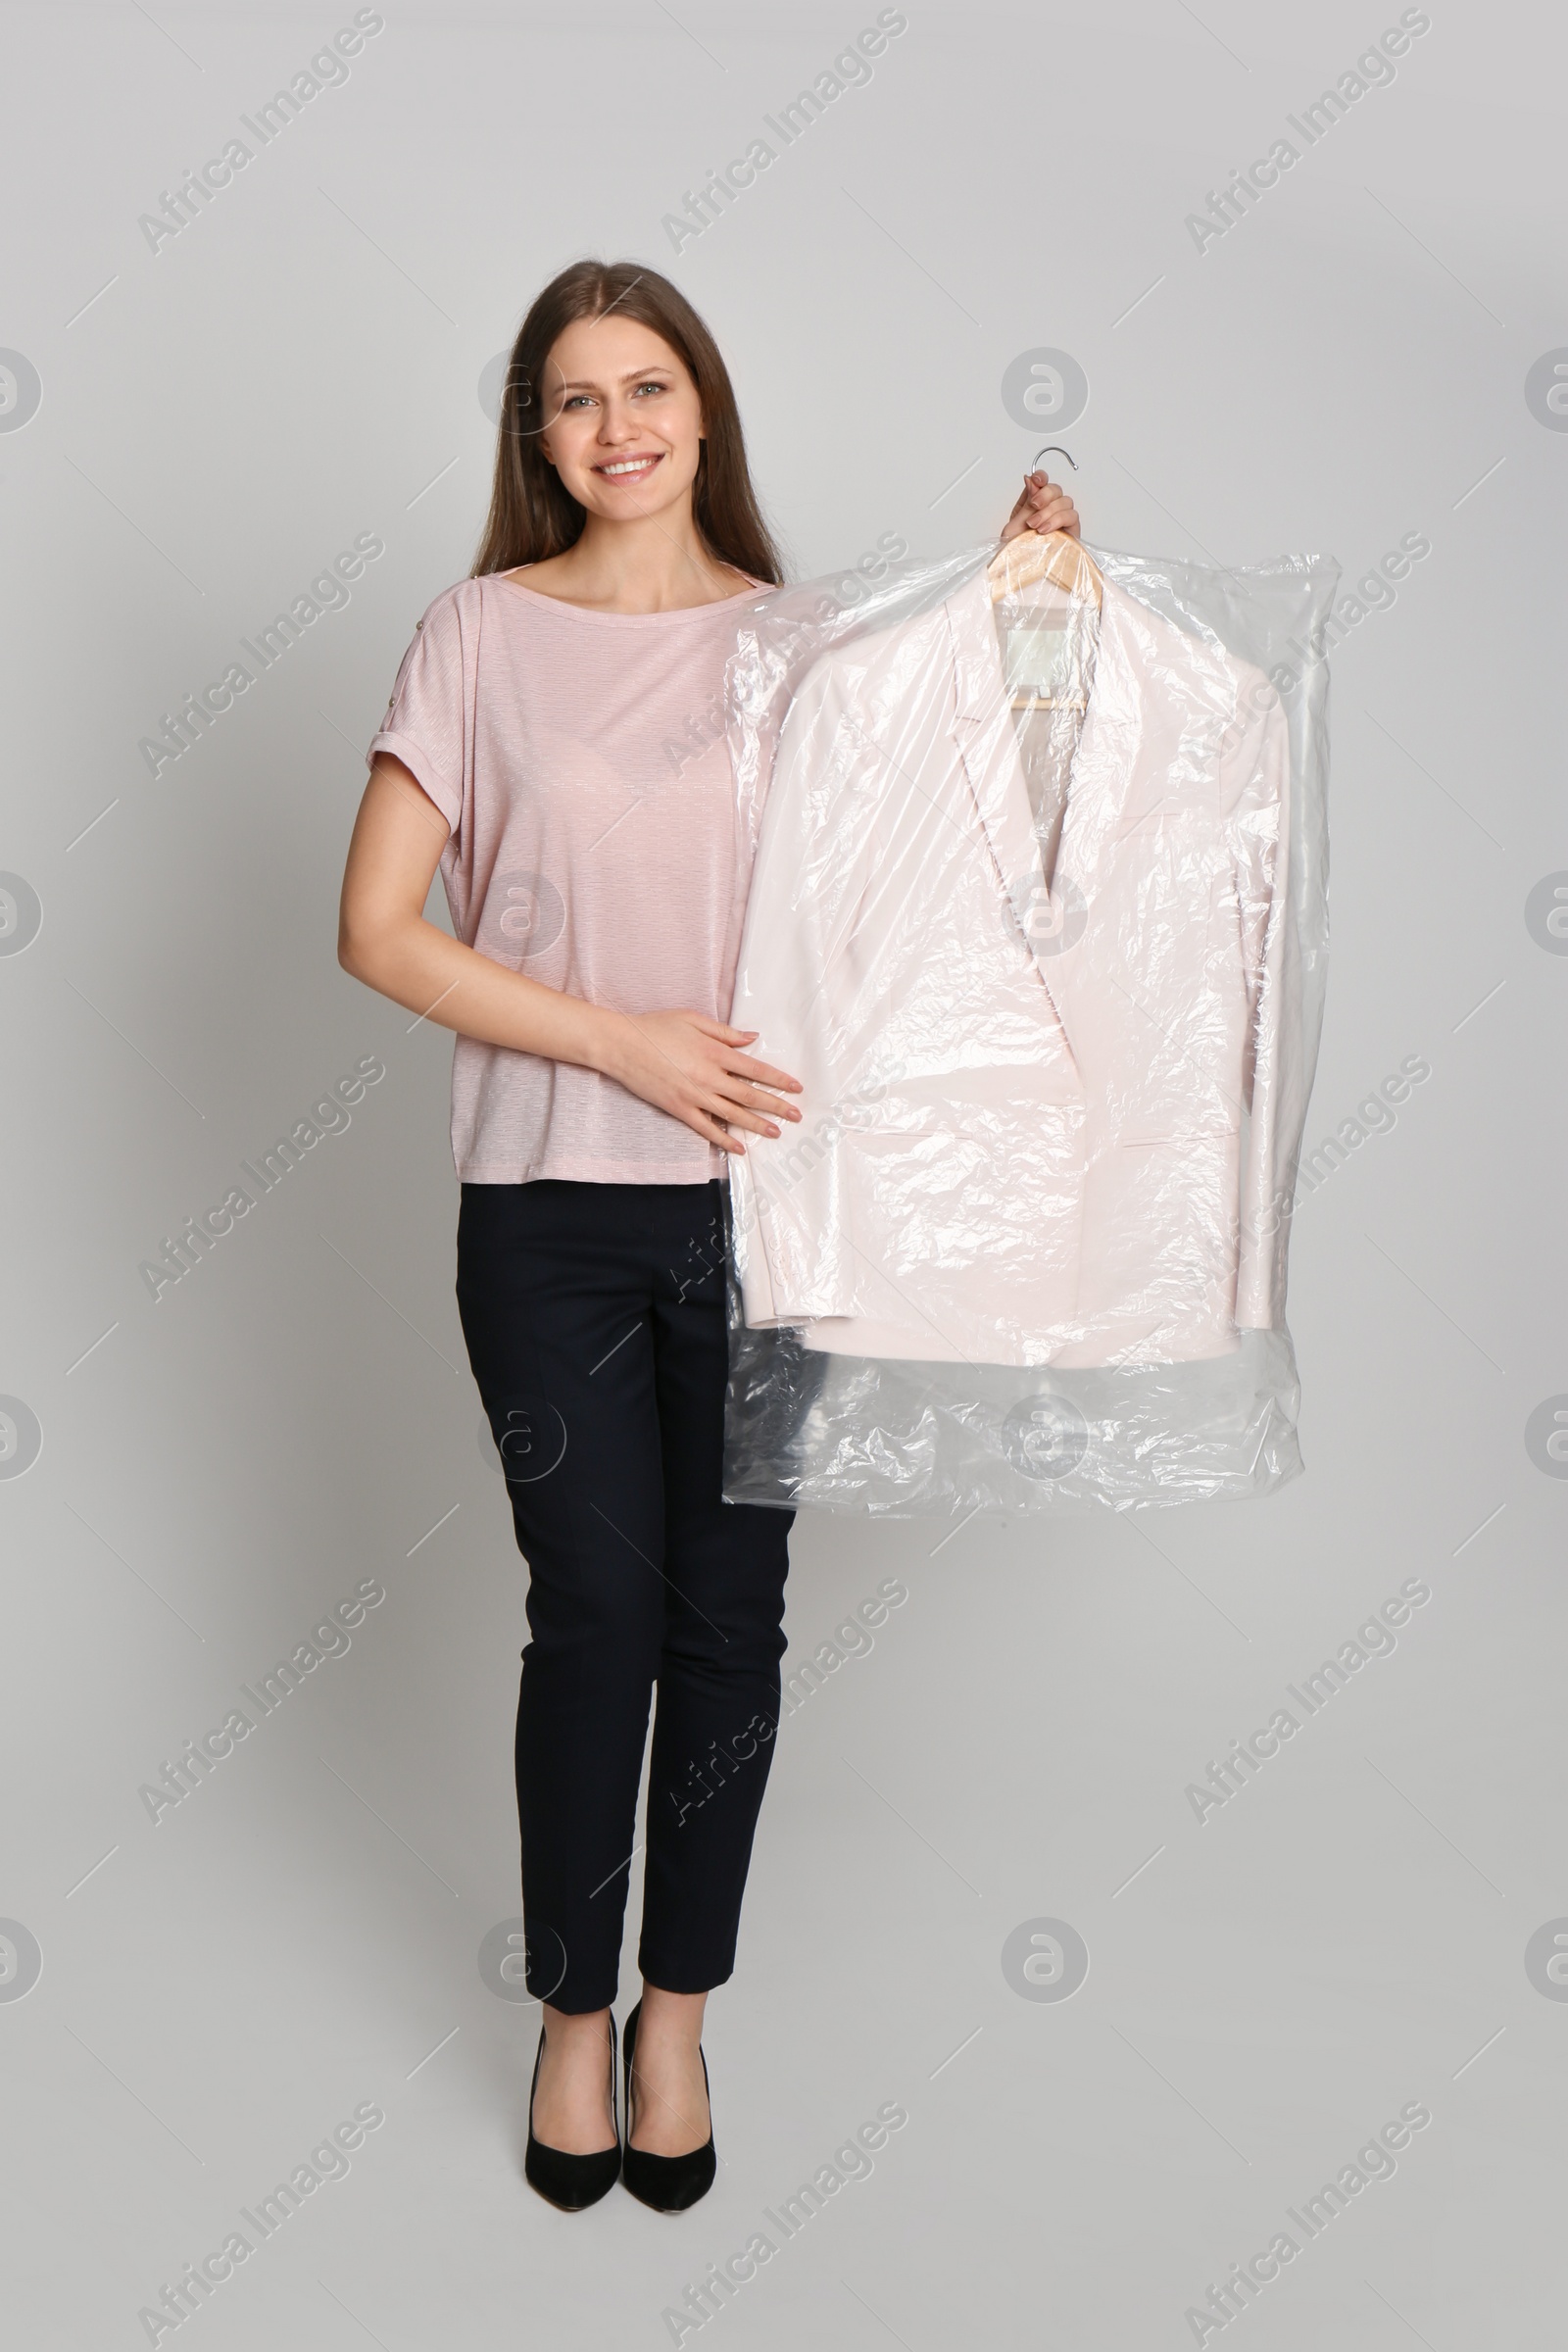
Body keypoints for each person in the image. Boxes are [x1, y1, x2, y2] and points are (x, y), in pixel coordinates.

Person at [337, 258, 1080, 2212]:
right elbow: (379, 928)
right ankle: (568, 2016)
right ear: (540, 438)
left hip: (770, 1217)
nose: (617, 426)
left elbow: (984, 833)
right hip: (550, 1216)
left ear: (704, 408)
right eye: (576, 399)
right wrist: (621, 1045)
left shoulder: (816, 640)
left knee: (724, 1626)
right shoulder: (478, 636)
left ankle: (678, 2013)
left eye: (647, 385)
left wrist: (1030, 611)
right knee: (592, 1614)